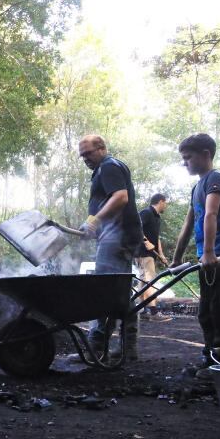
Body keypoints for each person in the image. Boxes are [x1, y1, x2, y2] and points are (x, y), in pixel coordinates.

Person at [170, 134, 220, 359]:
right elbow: (189, 223)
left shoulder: (216, 179)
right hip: (208, 257)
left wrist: (210, 251)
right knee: (206, 311)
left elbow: (211, 213)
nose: (185, 163)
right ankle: (211, 358)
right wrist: (176, 258)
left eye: (188, 158)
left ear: (205, 155)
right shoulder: (197, 188)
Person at [76, 135, 142, 360]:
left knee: (104, 291)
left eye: (89, 153)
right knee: (119, 291)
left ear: (102, 148)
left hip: (118, 238)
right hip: (117, 236)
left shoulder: (109, 166)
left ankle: (97, 348)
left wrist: (94, 221)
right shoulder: (107, 168)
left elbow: (121, 198)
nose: (85, 158)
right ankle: (128, 347)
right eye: (82, 155)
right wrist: (95, 229)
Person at [134, 193, 169, 320]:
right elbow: (136, 226)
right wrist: (145, 241)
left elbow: (157, 238)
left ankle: (142, 311)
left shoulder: (157, 218)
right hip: (142, 252)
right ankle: (153, 312)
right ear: (161, 201)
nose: (166, 205)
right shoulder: (146, 213)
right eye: (165, 203)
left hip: (151, 254)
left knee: (143, 282)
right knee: (150, 280)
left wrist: (161, 254)